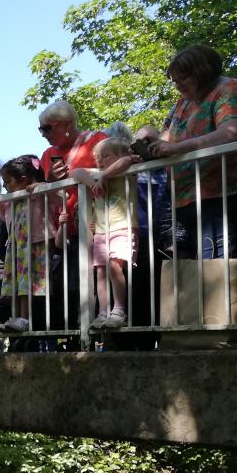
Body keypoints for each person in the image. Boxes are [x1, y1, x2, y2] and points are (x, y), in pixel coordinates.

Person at [148, 44, 237, 259]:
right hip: (188, 201)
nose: (177, 85)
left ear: (201, 72)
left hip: (228, 197)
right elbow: (166, 139)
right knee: (204, 272)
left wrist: (177, 148)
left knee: (229, 268)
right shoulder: (182, 103)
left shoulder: (232, 88)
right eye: (174, 80)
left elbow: (231, 133)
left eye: (183, 79)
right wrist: (149, 150)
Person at [38, 100, 109, 328]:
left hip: (97, 226)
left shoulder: (97, 140)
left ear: (67, 123)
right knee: (70, 288)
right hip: (65, 233)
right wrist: (48, 182)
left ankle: (102, 336)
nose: (44, 134)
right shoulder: (48, 154)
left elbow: (114, 170)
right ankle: (76, 339)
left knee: (100, 281)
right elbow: (40, 193)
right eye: (41, 129)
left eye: (48, 128)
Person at [70, 138, 141, 330]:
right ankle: (103, 312)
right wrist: (93, 183)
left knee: (114, 266)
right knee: (101, 271)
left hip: (123, 226)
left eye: (106, 156)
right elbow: (75, 172)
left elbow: (127, 160)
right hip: (102, 231)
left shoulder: (126, 169)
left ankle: (119, 310)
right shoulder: (96, 175)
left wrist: (105, 177)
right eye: (97, 158)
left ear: (119, 154)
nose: (100, 161)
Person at [0, 156, 53, 334]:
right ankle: (16, 318)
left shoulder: (35, 194)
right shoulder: (13, 200)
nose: (5, 186)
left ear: (23, 180)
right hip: (17, 245)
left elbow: (60, 197)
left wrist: (42, 186)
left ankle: (24, 319)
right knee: (16, 283)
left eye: (8, 181)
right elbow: (7, 220)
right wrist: (0, 203)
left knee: (27, 282)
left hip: (33, 244)